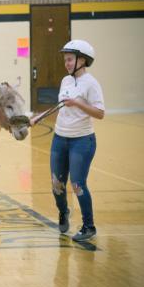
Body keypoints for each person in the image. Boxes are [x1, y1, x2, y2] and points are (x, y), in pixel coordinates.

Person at [33, 39, 104, 242]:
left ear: (83, 60)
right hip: (59, 139)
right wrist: (38, 117)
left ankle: (89, 226)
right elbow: (62, 107)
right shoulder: (65, 81)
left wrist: (78, 104)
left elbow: (100, 113)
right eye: (65, 60)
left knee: (78, 184)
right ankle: (63, 211)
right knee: (57, 184)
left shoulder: (91, 83)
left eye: (70, 59)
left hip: (82, 141)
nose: (67, 63)